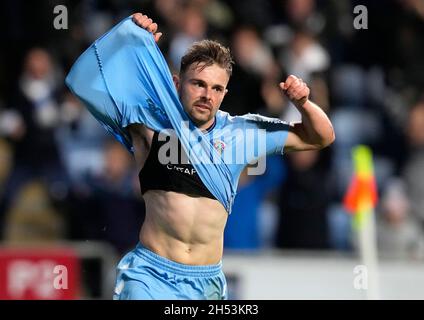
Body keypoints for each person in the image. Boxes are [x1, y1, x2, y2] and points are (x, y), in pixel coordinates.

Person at [66, 13, 335, 300]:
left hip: (205, 284)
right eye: (198, 84)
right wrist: (125, 35)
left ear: (224, 93)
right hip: (149, 276)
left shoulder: (242, 133)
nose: (207, 95)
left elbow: (321, 136)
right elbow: (80, 80)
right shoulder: (148, 125)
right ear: (176, 82)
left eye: (217, 88)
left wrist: (303, 103)